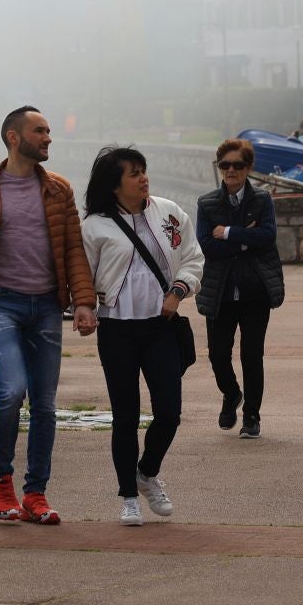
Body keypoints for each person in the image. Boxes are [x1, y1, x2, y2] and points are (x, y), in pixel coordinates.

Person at [0, 106, 98, 525]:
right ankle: (0, 481)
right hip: (1, 304)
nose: (48, 138)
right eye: (40, 131)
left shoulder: (58, 189)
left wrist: (83, 302)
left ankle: (35, 493)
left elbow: (72, 248)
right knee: (12, 391)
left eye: (48, 131)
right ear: (14, 137)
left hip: (47, 305)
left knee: (45, 404)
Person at [81, 147, 204, 527]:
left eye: (143, 170)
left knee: (169, 413)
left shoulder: (169, 212)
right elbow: (82, 275)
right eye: (133, 173)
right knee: (125, 416)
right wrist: (84, 306)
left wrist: (179, 291)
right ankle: (129, 497)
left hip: (160, 325)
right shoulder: (94, 226)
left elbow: (193, 257)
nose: (143, 178)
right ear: (114, 185)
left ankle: (147, 473)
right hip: (116, 328)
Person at [195, 138, 286, 440]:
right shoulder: (207, 203)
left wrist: (229, 233)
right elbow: (206, 245)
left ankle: (251, 416)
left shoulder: (262, 199)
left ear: (248, 168)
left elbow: (268, 235)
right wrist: (245, 240)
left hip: (254, 291)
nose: (231, 170)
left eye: (237, 165)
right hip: (220, 291)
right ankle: (232, 392)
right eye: (225, 165)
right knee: (218, 355)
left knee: (252, 356)